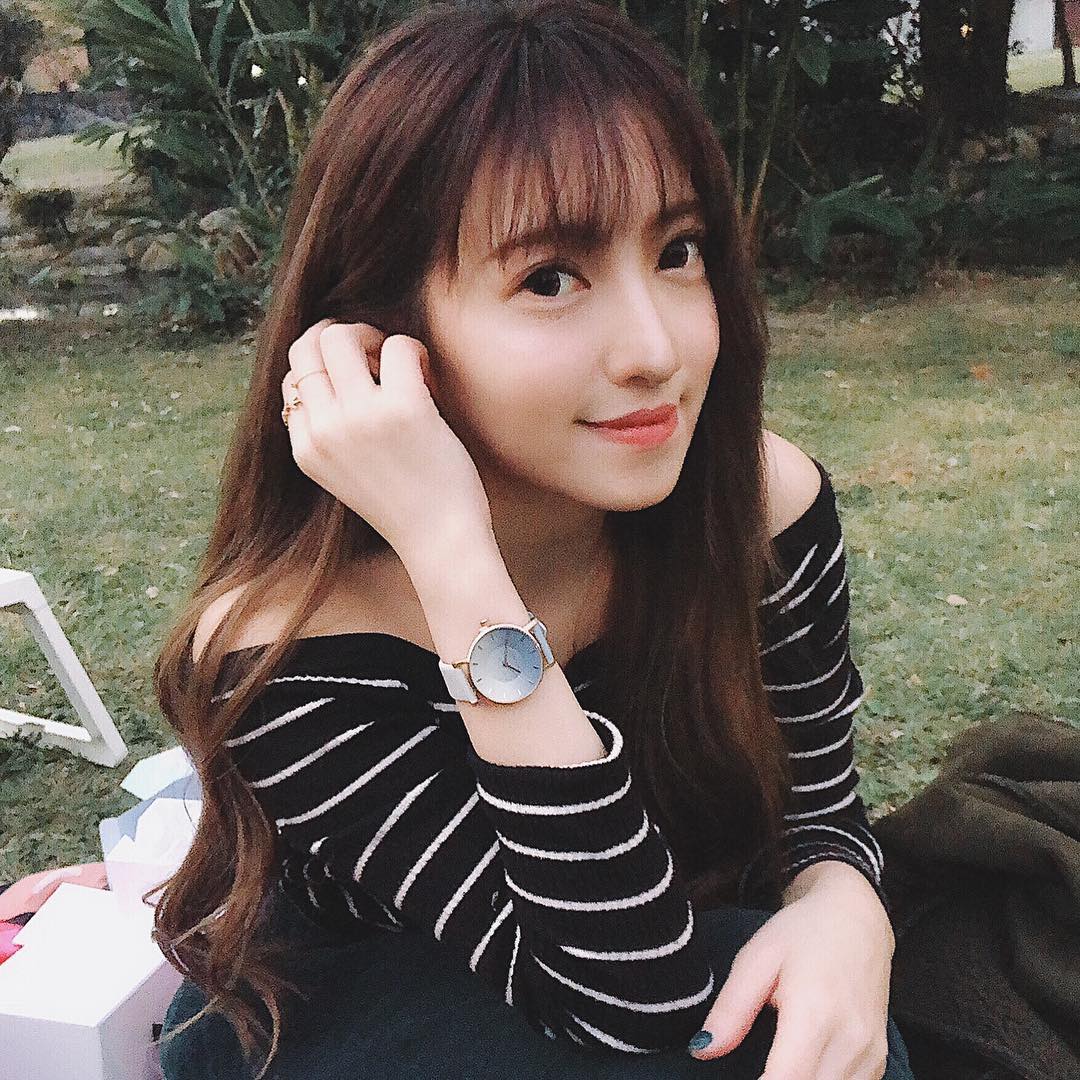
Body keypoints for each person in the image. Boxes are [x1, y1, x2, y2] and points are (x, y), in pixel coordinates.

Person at [151, 2, 916, 1078]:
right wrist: (450, 552)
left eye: (679, 251)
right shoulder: (286, 646)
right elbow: (632, 996)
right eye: (549, 278)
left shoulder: (758, 509)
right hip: (357, 1008)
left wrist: (844, 901)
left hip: (667, 956)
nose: (654, 350)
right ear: (383, 337)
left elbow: (818, 809)